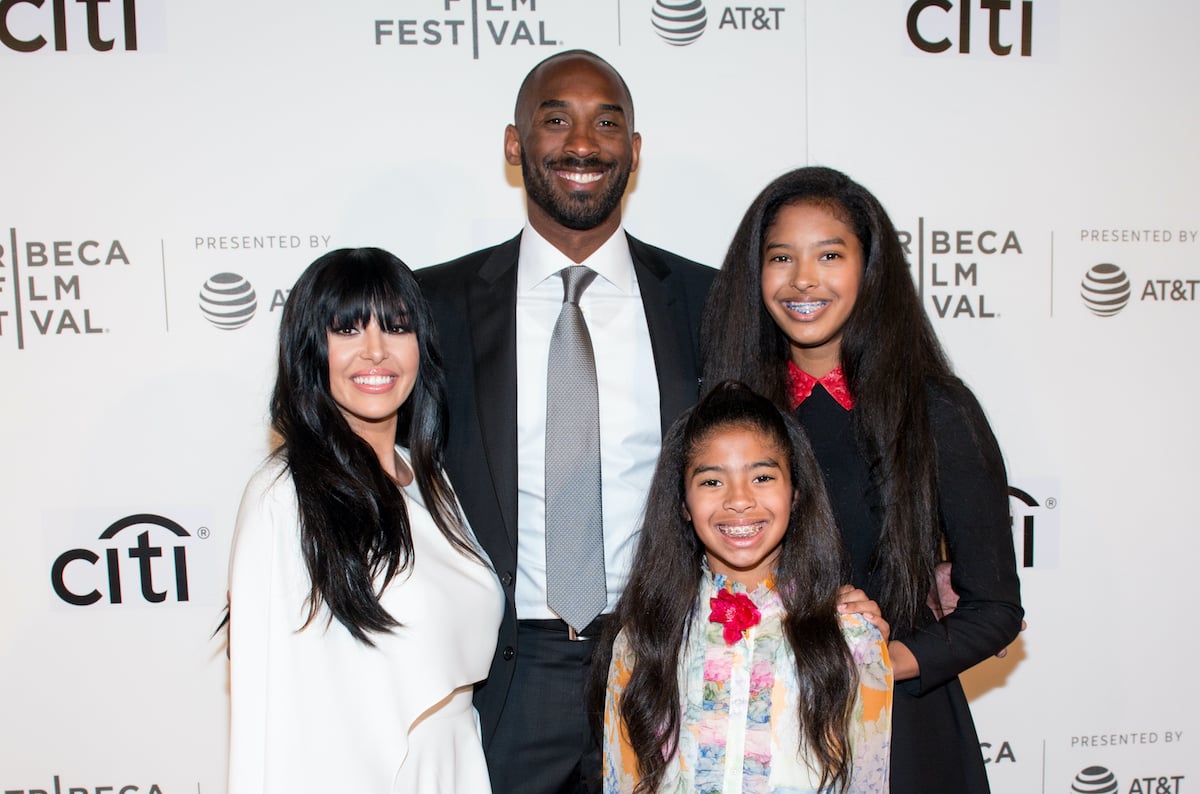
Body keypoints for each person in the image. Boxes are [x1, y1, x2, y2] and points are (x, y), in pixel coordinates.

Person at [416, 50, 715, 794]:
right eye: (555, 120)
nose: (582, 144)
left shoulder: (708, 302)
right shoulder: (433, 305)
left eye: (606, 123)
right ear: (515, 146)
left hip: (666, 661)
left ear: (634, 152)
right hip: (505, 676)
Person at [700, 166, 1024, 793]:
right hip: (751, 732)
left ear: (869, 268)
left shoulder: (937, 412)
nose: (803, 279)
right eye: (780, 257)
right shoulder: (730, 418)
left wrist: (879, 664)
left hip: (905, 736)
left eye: (829, 254)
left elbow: (995, 609)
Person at [226, 247, 503, 793]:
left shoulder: (429, 478)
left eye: (397, 328)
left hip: (454, 760)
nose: (376, 352)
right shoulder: (285, 497)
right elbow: (271, 712)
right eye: (347, 330)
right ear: (311, 349)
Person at [599, 380, 892, 793]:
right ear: (683, 503)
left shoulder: (852, 637)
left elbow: (868, 783)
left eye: (762, 477)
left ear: (796, 493)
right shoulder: (644, 641)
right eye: (712, 482)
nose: (739, 500)